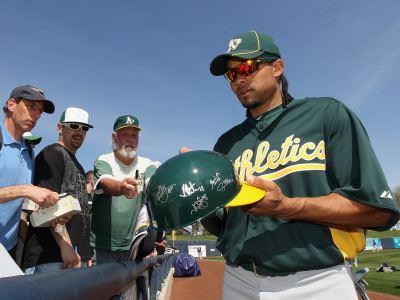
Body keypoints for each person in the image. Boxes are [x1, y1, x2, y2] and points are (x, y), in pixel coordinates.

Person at [193, 31, 400, 299]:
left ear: (277, 67)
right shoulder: (225, 144)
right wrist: (203, 205)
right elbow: (224, 225)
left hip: (316, 281)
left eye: (246, 67)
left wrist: (286, 207)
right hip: (237, 280)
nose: (239, 79)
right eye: (231, 75)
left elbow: (376, 210)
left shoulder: (326, 114)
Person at [21, 107, 93, 274]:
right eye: (74, 126)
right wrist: (65, 246)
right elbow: (46, 205)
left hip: (73, 258)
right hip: (51, 258)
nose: (79, 132)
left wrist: (85, 252)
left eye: (84, 128)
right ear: (60, 128)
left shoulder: (79, 166)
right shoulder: (52, 154)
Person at [0, 85, 61, 265]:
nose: (36, 114)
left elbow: (19, 205)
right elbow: (22, 191)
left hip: (8, 251)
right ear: (11, 105)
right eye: (30, 106)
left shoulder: (28, 150)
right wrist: (26, 189)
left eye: (40, 111)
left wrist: (52, 211)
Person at [90, 115, 160, 264]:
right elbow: (106, 183)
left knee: (130, 288)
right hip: (103, 245)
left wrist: (154, 188)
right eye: (124, 134)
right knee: (104, 287)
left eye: (134, 135)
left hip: (133, 246)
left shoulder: (147, 164)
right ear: (114, 138)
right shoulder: (104, 160)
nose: (130, 139)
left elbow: (151, 183)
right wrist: (121, 187)